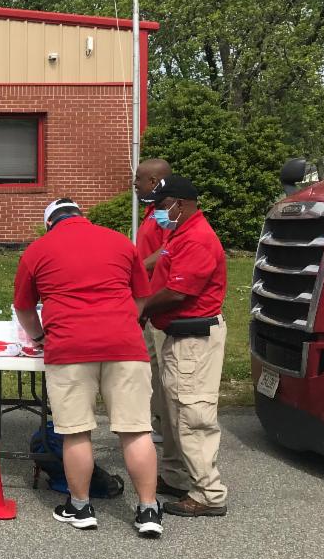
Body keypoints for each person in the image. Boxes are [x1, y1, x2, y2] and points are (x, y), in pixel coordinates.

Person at [13, 198, 162, 537]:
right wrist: (126, 322)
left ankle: (80, 507)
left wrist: (40, 337)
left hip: (69, 346)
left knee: (76, 430)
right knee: (136, 429)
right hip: (124, 345)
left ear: (50, 222)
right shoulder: (119, 242)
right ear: (83, 217)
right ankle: (148, 509)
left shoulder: (38, 249)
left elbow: (23, 307)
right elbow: (141, 295)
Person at [139, 176, 230, 518]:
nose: (159, 215)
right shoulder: (180, 233)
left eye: (162, 207)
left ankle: (208, 493)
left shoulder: (197, 238)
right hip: (179, 336)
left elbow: (178, 292)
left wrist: (140, 306)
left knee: (193, 414)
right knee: (176, 411)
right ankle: (178, 476)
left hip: (194, 339)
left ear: (181, 203)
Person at [134, 157, 172, 448]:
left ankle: (166, 426)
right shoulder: (152, 212)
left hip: (162, 301)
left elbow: (170, 249)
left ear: (153, 182)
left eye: (138, 179)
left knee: (160, 367)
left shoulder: (169, 213)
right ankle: (157, 421)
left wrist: (136, 268)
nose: (134, 185)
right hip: (146, 300)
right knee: (150, 365)